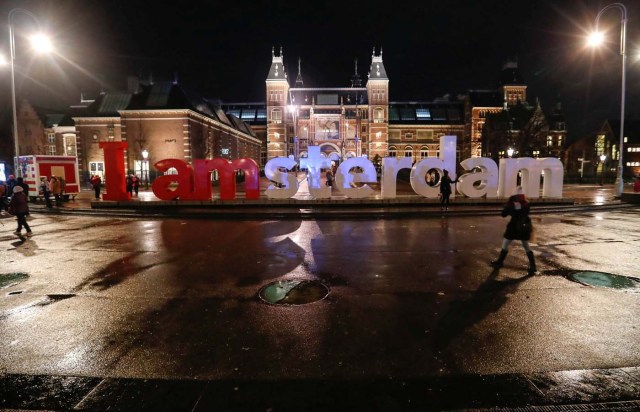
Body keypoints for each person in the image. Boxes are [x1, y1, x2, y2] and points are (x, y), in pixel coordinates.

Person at [491, 186, 537, 275]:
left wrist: (509, 207)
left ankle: (500, 262)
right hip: (523, 227)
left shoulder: (513, 202)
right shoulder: (526, 203)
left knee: (506, 244)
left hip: (514, 227)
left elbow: (503, 214)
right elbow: (523, 214)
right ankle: (533, 266)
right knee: (526, 246)